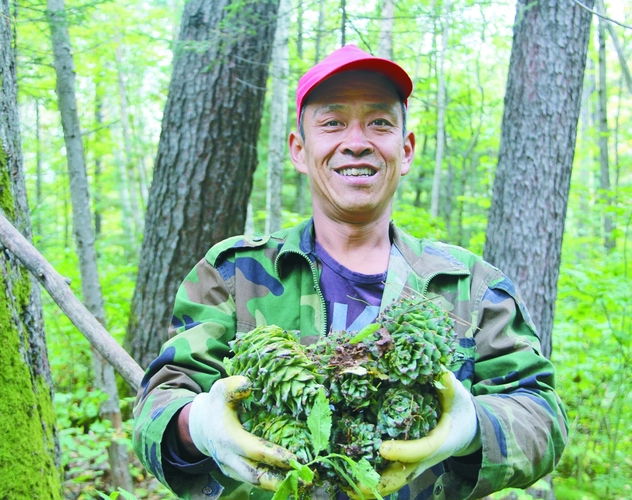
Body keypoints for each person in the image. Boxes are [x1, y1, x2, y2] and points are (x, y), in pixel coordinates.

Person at [132, 44, 568, 500]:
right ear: (300, 150)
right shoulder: (234, 273)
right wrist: (197, 425)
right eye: (333, 122)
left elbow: (543, 414)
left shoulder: (469, 285)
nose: (356, 140)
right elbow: (160, 401)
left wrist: (473, 427)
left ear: (406, 149)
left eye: (379, 122)